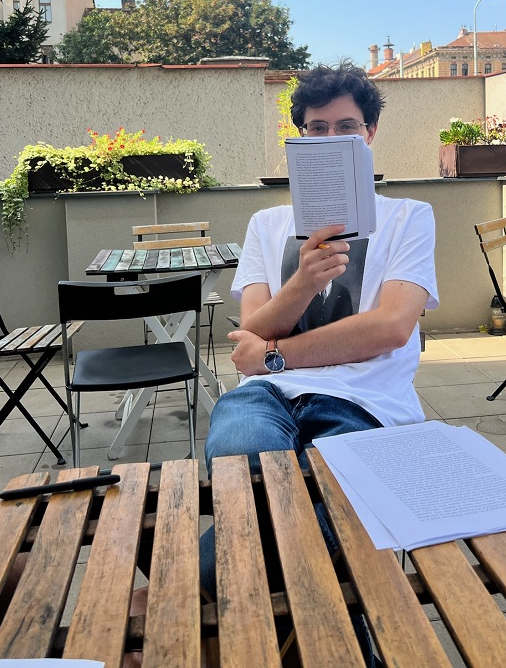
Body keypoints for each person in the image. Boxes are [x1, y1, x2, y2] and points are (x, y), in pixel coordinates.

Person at [201, 61, 438, 619]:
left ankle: (204, 594)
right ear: (299, 138)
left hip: (363, 400)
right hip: (261, 395)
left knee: (307, 514)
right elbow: (251, 330)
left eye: (347, 127)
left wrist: (275, 355)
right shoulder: (266, 223)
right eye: (317, 128)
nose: (332, 138)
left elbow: (390, 328)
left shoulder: (408, 217)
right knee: (244, 471)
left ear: (370, 134)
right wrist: (304, 282)